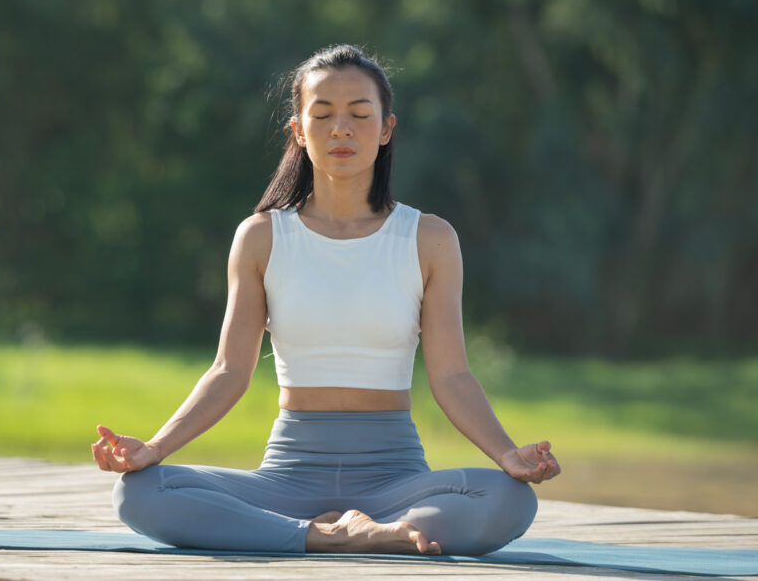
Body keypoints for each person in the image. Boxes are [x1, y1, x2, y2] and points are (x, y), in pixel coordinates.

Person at [91, 44, 560, 556]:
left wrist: (508, 455)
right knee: (140, 492)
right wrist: (154, 449)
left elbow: (451, 376)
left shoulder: (429, 239)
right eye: (323, 115)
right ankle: (335, 537)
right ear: (298, 130)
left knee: (507, 499)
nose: (341, 129)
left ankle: (350, 532)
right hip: (287, 479)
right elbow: (229, 370)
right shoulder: (261, 238)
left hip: (396, 480)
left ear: (385, 130)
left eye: (360, 115)